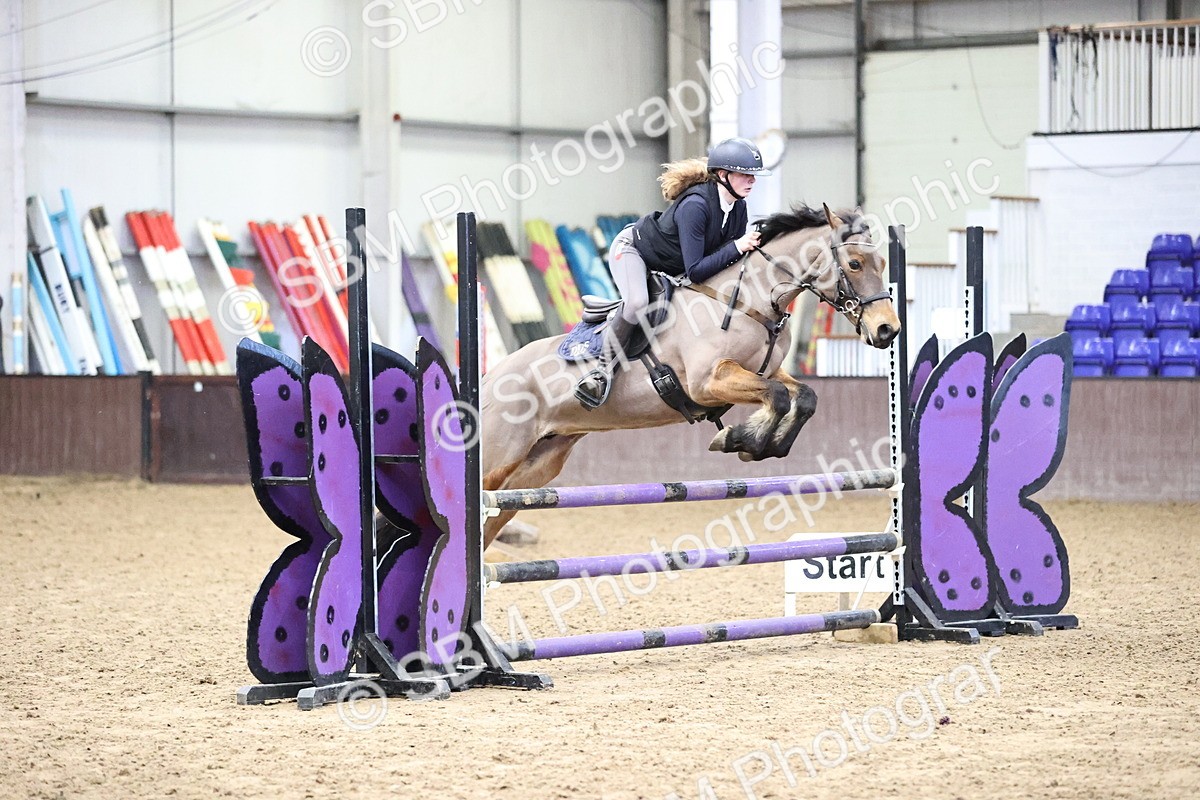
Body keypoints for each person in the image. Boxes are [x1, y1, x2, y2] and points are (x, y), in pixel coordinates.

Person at [575, 137, 771, 408]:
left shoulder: (739, 207)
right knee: (637, 302)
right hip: (633, 251)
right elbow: (696, 270)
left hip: (670, 265)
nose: (752, 180)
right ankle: (601, 373)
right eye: (745, 174)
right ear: (723, 175)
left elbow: (726, 263)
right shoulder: (696, 206)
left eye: (753, 175)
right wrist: (738, 246)